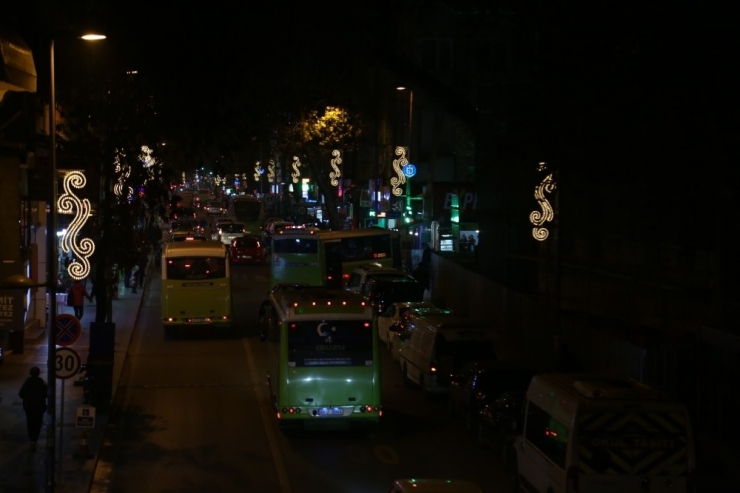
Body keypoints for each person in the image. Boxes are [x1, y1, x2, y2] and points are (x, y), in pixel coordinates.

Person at [19, 366, 47, 447]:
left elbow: (21, 394)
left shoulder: (27, 382)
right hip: (39, 407)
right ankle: (35, 438)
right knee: (38, 423)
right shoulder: (41, 382)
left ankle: (32, 439)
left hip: (29, 407)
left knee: (30, 423)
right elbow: (46, 394)